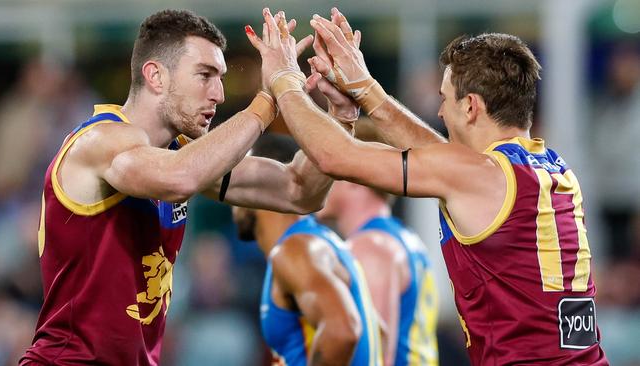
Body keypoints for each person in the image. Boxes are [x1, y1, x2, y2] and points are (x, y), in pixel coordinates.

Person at [247, 7, 609, 365]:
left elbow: (334, 156)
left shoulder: (475, 174)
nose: (439, 113)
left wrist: (283, 79)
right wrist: (366, 89)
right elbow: (441, 155)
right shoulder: (552, 170)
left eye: (444, 99)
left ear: (470, 106)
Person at [20, 9, 331, 366]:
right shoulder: (101, 140)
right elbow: (181, 178)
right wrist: (269, 98)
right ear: (155, 76)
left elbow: (299, 190)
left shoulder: (179, 154)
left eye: (221, 77)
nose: (218, 93)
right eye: (205, 75)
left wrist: (342, 114)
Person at [232, 133, 382, 366]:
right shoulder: (323, 244)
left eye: (239, 181)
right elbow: (380, 331)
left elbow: (342, 331)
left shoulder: (298, 249)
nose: (232, 197)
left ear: (263, 184)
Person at [317, 181, 438, 366]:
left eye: (327, 173)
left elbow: (376, 355)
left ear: (353, 180)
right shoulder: (406, 238)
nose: (316, 181)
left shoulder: (371, 247)